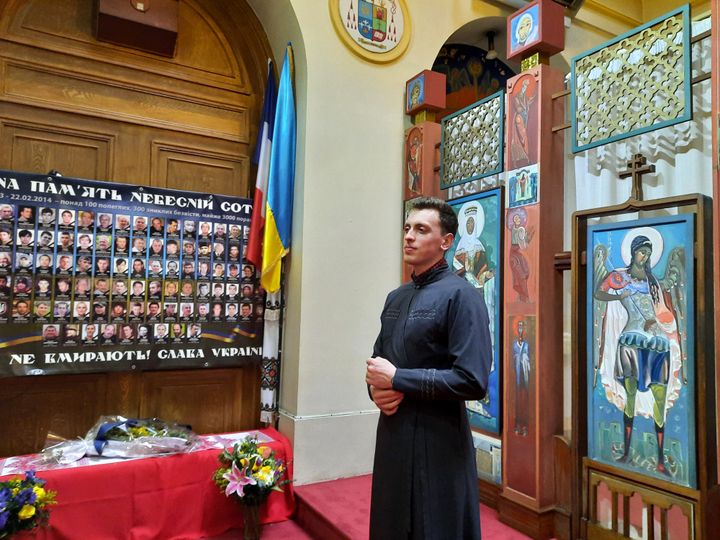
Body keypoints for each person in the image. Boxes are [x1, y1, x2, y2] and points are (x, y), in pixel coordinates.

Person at [365, 197, 492, 540]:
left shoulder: (463, 296)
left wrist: (397, 380)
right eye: (407, 228)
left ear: (446, 242)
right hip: (394, 434)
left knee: (435, 526)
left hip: (439, 440)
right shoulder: (396, 297)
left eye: (421, 229)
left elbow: (473, 380)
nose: (409, 236)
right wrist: (377, 391)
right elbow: (379, 361)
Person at [594, 234, 681, 475]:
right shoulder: (619, 277)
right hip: (631, 340)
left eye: (648, 253)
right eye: (641, 251)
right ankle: (626, 453)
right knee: (630, 395)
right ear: (633, 253)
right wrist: (618, 295)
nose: (645, 256)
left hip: (656, 344)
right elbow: (598, 293)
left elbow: (661, 310)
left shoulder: (654, 281)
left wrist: (657, 319)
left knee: (660, 398)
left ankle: (660, 459)